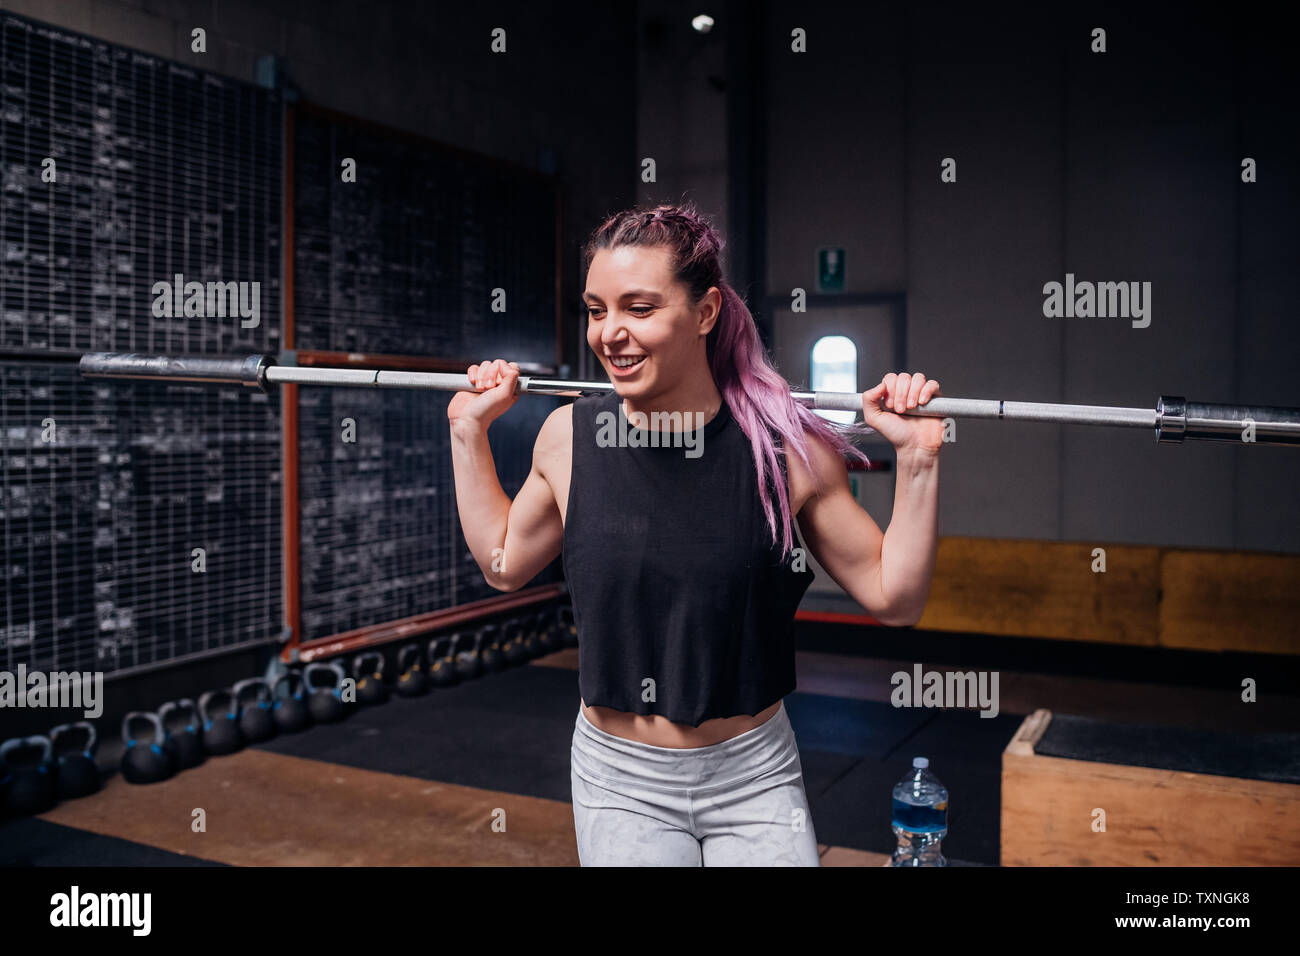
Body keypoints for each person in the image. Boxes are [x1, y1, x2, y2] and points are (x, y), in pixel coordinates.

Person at [448, 201, 943, 866]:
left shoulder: (782, 451)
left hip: (755, 774)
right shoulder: (570, 437)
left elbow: (896, 598)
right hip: (621, 780)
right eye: (597, 310)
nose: (609, 334)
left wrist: (916, 462)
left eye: (639, 308)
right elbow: (504, 563)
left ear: (705, 312)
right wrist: (466, 433)